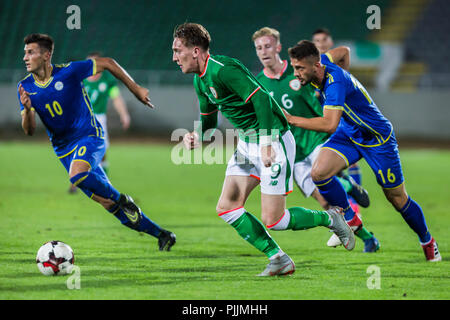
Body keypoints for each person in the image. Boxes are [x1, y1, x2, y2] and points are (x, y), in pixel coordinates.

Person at [172, 22, 355, 277]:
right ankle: (278, 258)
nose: (174, 57)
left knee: (275, 220)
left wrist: (267, 142)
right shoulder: (200, 82)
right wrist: (197, 135)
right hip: (247, 144)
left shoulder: (224, 70)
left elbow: (261, 98)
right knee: (227, 207)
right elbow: (210, 124)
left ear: (195, 51)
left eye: (177, 50)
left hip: (275, 140)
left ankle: (332, 219)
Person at [18, 33, 176, 251]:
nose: (25, 57)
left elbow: (108, 63)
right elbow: (29, 130)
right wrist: (26, 110)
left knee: (77, 175)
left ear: (46, 55)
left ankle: (123, 198)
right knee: (107, 204)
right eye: (25, 53)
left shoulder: (69, 71)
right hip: (63, 151)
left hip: (90, 136)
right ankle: (161, 234)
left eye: (30, 52)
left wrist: (135, 89)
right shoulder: (26, 87)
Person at [286, 40, 441, 261]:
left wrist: (292, 119)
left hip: (377, 139)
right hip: (349, 134)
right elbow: (343, 52)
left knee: (397, 198)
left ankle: (427, 241)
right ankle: (350, 219)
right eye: (294, 67)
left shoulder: (334, 82)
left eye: (300, 68)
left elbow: (329, 124)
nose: (296, 73)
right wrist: (348, 77)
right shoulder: (325, 63)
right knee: (318, 173)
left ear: (316, 66)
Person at [252, 27, 379, 252]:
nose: (264, 51)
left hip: (316, 138)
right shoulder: (258, 83)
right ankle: (367, 235)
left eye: (268, 46)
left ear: (278, 48)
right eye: (259, 47)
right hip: (293, 152)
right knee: (326, 204)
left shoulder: (301, 70)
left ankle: (347, 186)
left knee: (325, 177)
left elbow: (338, 59)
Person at [68, 51, 131, 193]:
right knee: (77, 149)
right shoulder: (80, 78)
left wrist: (124, 114)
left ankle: (104, 183)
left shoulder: (108, 80)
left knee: (102, 152)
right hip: (81, 118)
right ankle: (75, 183)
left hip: (99, 119)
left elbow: (116, 98)